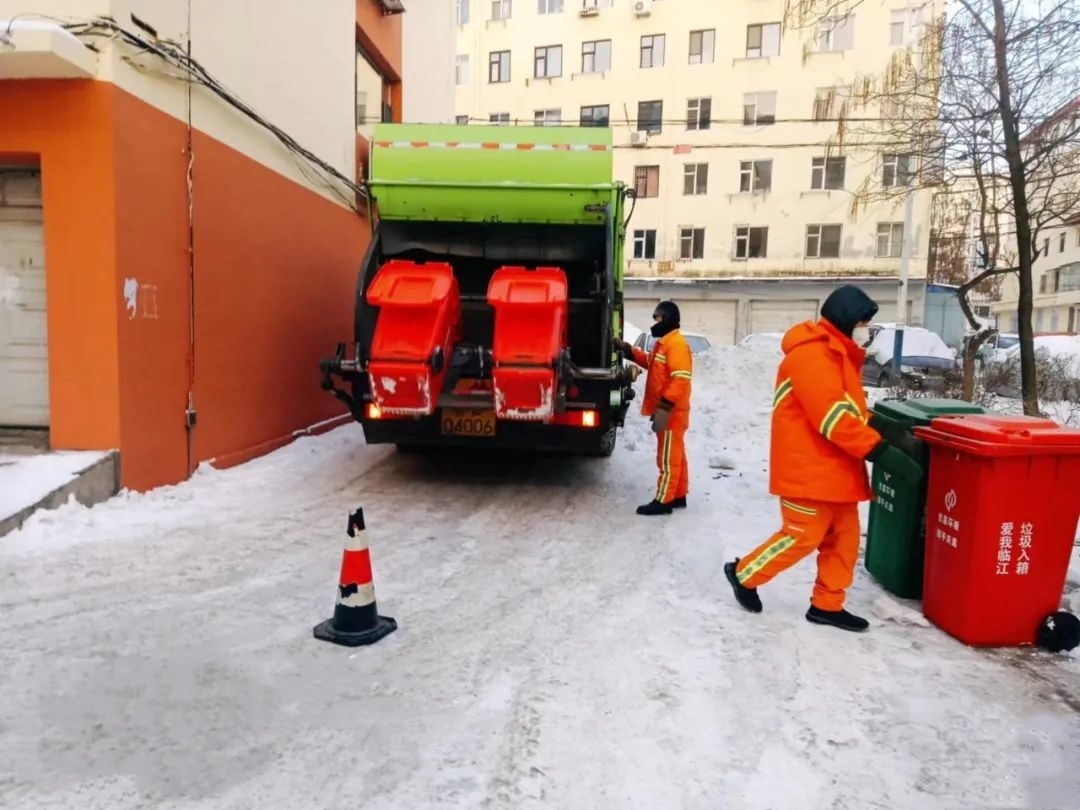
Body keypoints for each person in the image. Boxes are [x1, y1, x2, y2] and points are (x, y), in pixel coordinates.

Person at [723, 285, 922, 632]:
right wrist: (883, 453)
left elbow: (849, 410)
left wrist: (884, 426)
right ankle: (744, 574)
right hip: (808, 470)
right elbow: (832, 417)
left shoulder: (837, 355)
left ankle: (827, 605)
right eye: (863, 322)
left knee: (844, 541)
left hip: (835, 470)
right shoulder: (811, 355)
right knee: (802, 536)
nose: (867, 331)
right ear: (846, 319)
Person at [615, 301, 693, 516]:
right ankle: (678, 495)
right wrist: (628, 350)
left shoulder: (676, 345)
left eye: (657, 318)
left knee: (667, 456)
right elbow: (651, 361)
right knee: (677, 455)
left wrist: (665, 406)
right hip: (670, 409)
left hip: (671, 411)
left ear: (667, 319)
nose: (655, 323)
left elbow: (681, 378)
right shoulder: (665, 343)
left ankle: (664, 500)